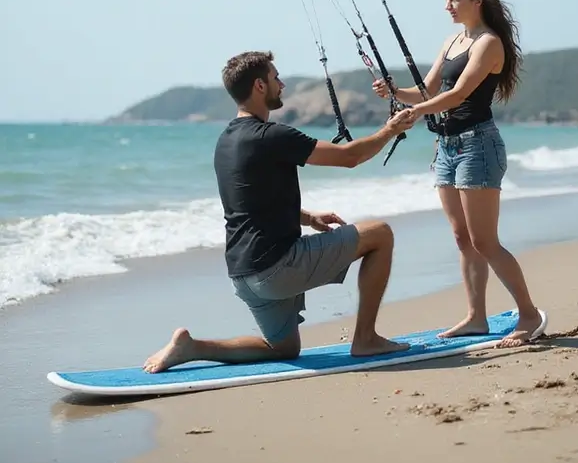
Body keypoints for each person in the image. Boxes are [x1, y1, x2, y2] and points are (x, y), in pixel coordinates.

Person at [143, 50, 415, 373]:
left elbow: (248, 203)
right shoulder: (272, 135)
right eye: (275, 78)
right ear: (260, 86)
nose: (281, 84)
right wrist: (389, 130)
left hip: (243, 274)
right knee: (379, 234)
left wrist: (307, 217)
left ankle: (192, 347)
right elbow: (348, 157)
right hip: (277, 268)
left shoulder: (225, 141)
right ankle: (366, 338)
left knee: (284, 348)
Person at [372, 0, 546, 347]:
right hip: (447, 147)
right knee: (462, 239)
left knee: (485, 241)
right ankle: (475, 318)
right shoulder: (452, 42)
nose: (447, 6)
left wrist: (416, 113)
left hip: (477, 145)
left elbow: (460, 94)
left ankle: (529, 315)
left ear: (477, 1)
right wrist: (395, 93)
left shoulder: (488, 43)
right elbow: (427, 90)